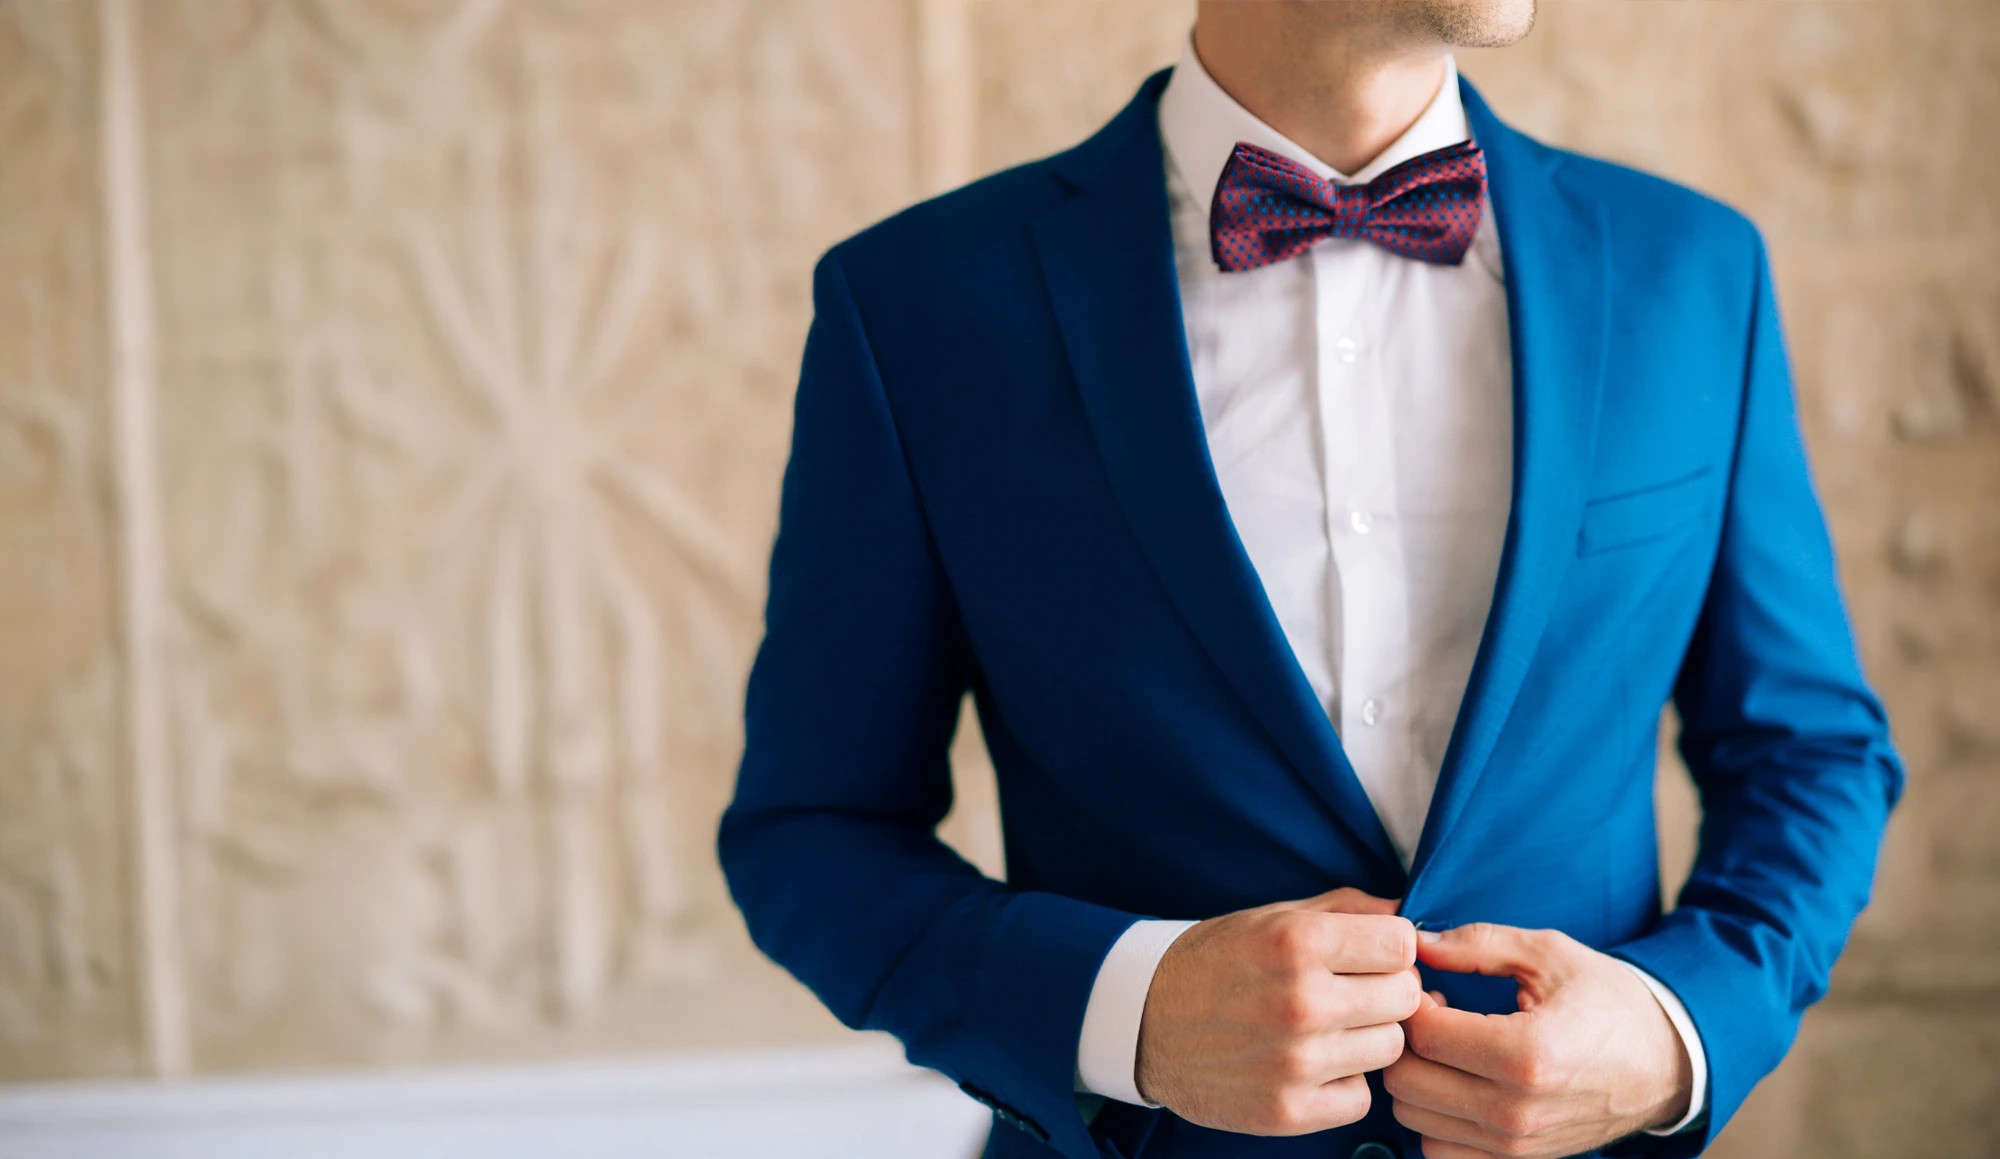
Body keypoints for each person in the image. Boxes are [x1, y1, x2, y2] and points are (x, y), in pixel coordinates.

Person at [718, 2, 1902, 1156]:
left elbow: (1808, 750)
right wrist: (1124, 1008)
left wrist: (1676, 1026)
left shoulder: (1691, 273)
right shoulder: (918, 306)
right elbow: (811, 828)